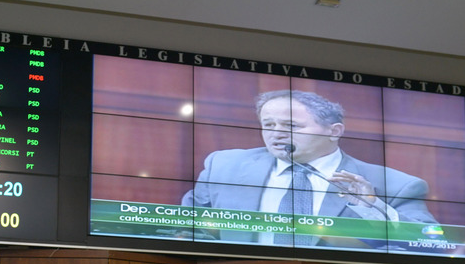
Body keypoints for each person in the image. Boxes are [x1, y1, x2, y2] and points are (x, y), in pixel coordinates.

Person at [181, 90, 438, 246]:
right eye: (269, 125)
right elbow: (184, 227)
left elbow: (430, 242)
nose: (277, 134)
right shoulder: (224, 166)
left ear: (334, 131)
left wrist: (373, 207)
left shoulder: (395, 184)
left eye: (291, 126)